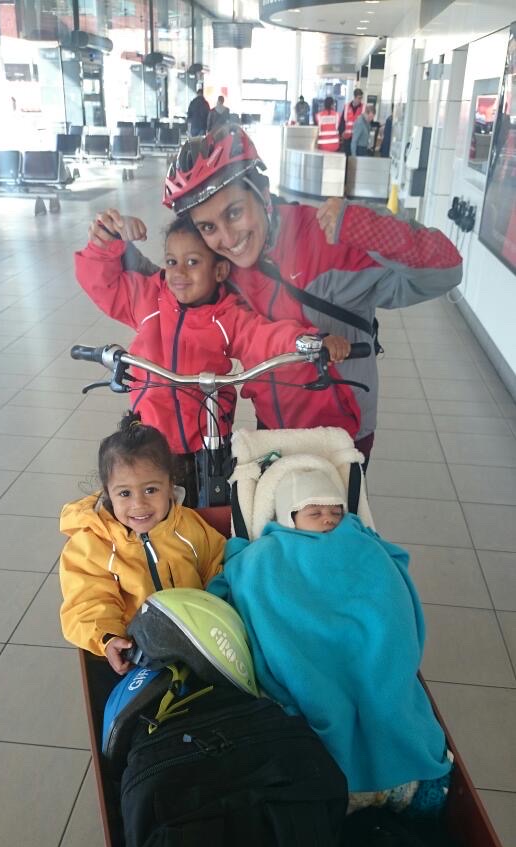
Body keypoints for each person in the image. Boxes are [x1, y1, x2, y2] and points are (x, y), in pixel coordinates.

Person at [125, 124, 462, 468]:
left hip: (339, 433)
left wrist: (369, 228)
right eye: (208, 227)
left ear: (263, 193)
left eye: (235, 212)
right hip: (271, 429)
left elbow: (446, 271)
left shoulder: (327, 239)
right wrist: (111, 247)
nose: (227, 238)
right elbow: (162, 292)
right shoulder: (222, 266)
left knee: (338, 521)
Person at [208, 465, 451, 804]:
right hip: (307, 645)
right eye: (315, 512)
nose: (328, 520)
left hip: (367, 641)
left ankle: (386, 762)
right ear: (289, 516)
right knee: (319, 692)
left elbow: (388, 587)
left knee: (381, 682)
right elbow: (249, 585)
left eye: (335, 512)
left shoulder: (358, 540)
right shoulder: (266, 552)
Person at [75, 211, 359, 493]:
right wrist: (108, 238)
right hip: (149, 434)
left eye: (193, 262)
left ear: (220, 271)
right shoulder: (150, 298)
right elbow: (104, 285)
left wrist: (309, 342)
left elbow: (264, 337)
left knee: (214, 504)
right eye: (172, 261)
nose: (179, 272)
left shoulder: (228, 315)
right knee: (145, 503)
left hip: (207, 436)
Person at [59, 413, 226, 675]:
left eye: (151, 490)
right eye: (125, 493)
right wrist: (108, 637)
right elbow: (87, 600)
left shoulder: (189, 526)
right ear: (108, 492)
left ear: (171, 485)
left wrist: (220, 614)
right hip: (138, 655)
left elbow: (217, 567)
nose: (139, 505)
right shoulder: (92, 543)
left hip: (199, 641)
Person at [339, 87, 364, 156]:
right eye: (359, 98)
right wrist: (342, 132)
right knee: (347, 156)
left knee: (356, 156)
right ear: (354, 97)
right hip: (347, 137)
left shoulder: (363, 108)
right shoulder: (347, 106)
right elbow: (342, 121)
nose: (360, 100)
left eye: (361, 98)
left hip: (358, 138)